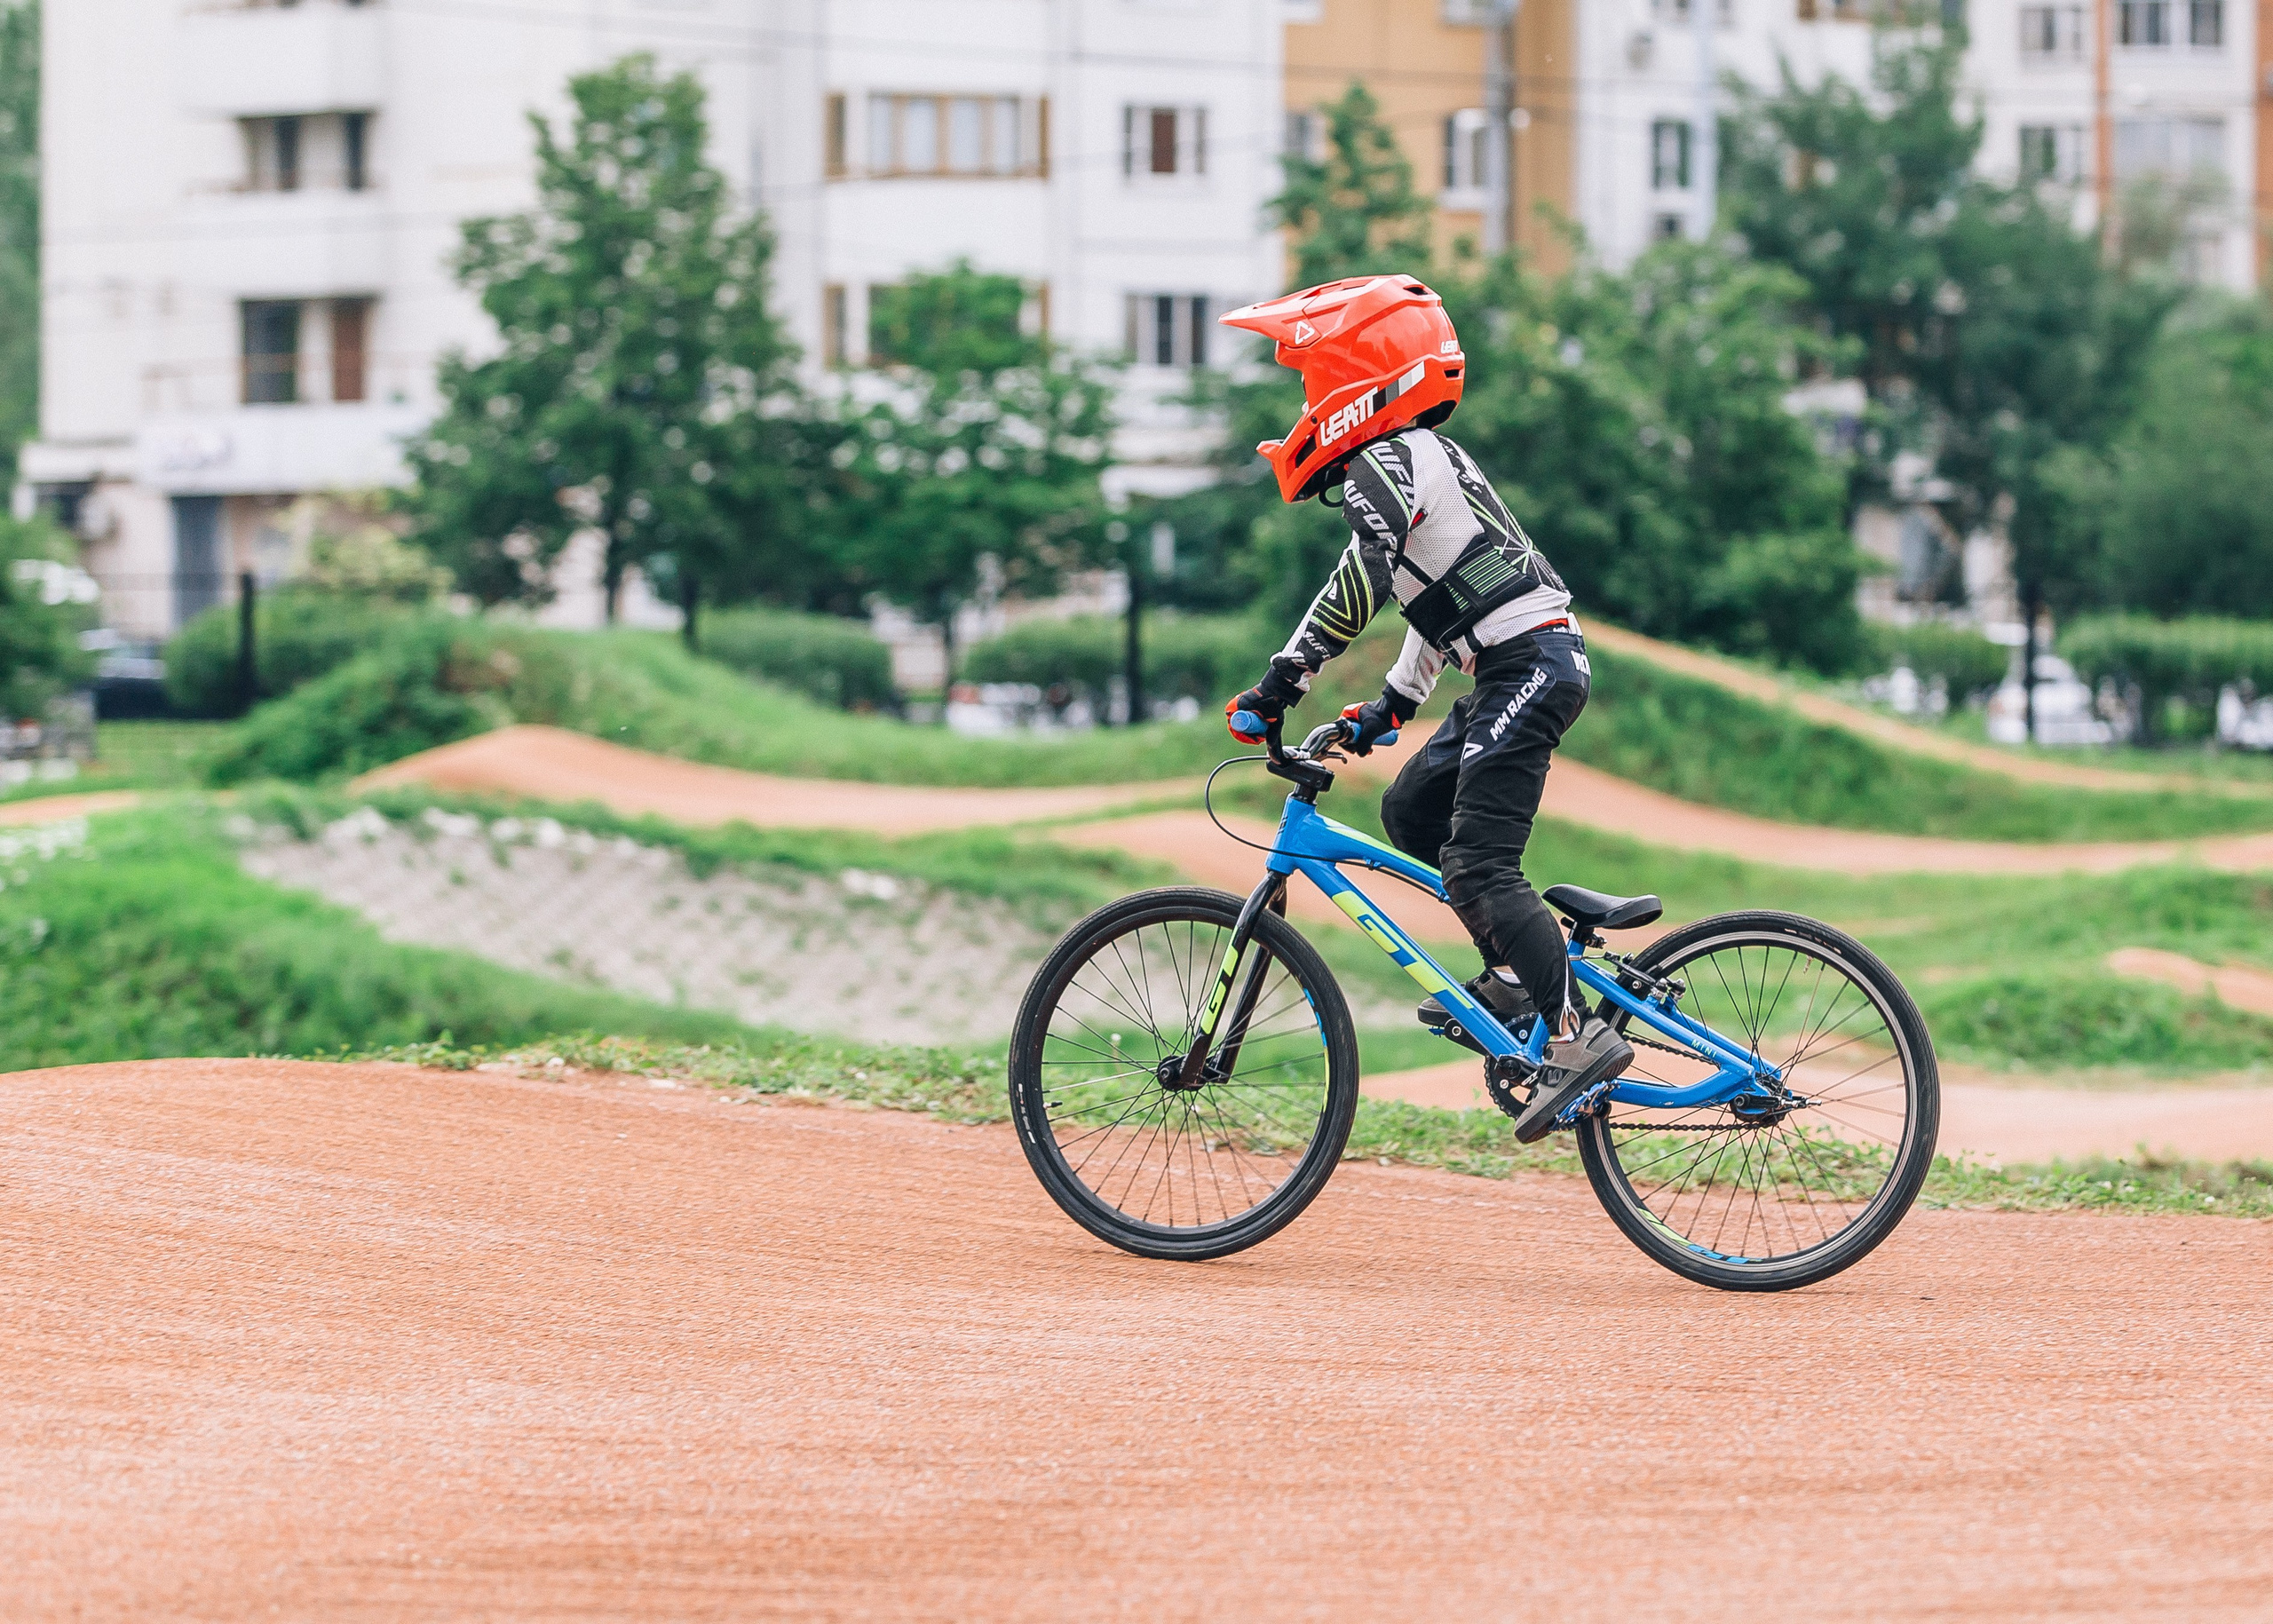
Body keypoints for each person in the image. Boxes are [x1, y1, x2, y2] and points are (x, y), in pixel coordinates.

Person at [1216, 273, 1631, 1144]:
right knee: (1411, 809)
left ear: (1353, 377)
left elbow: (1363, 576)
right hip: (1511, 662)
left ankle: (1572, 1035)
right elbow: (1445, 595)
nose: (1304, 403)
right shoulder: (1412, 462)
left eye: (1309, 381)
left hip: (1528, 664)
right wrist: (1389, 704)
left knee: (1481, 865)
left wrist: (1284, 676)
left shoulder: (1390, 458)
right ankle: (1517, 979)